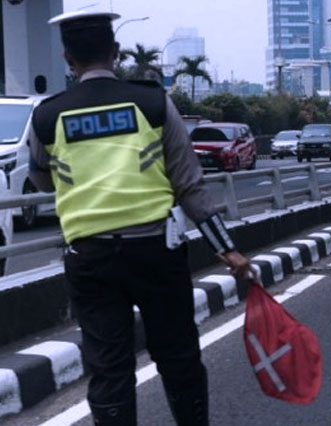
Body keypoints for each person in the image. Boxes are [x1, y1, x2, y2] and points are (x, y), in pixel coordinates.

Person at [28, 11, 252, 425]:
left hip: (90, 258)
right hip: (156, 255)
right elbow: (190, 185)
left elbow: (41, 178)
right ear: (115, 53)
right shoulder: (151, 102)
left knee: (109, 369)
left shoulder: (47, 115)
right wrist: (228, 248)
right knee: (178, 357)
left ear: (67, 58)